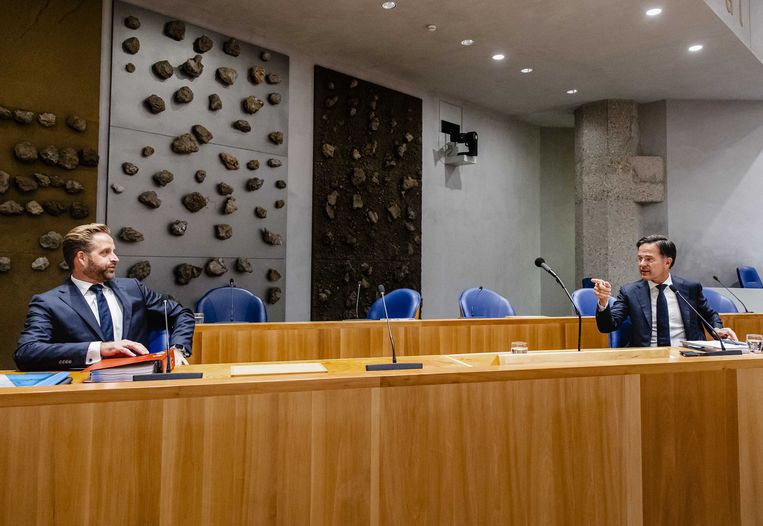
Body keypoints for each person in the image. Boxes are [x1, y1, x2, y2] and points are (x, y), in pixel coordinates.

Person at [15, 223, 194, 371]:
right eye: (105, 252)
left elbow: (181, 314)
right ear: (82, 258)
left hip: (138, 382)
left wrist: (178, 348)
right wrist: (98, 349)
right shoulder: (49, 302)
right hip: (83, 390)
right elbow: (26, 352)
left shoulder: (133, 289)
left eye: (114, 251)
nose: (115, 258)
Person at [592, 234, 737, 347]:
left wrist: (717, 329)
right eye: (640, 258)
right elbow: (607, 326)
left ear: (668, 262)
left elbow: (709, 315)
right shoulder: (630, 292)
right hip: (647, 358)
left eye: (649, 259)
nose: (642, 264)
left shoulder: (689, 288)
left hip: (688, 355)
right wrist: (603, 302)